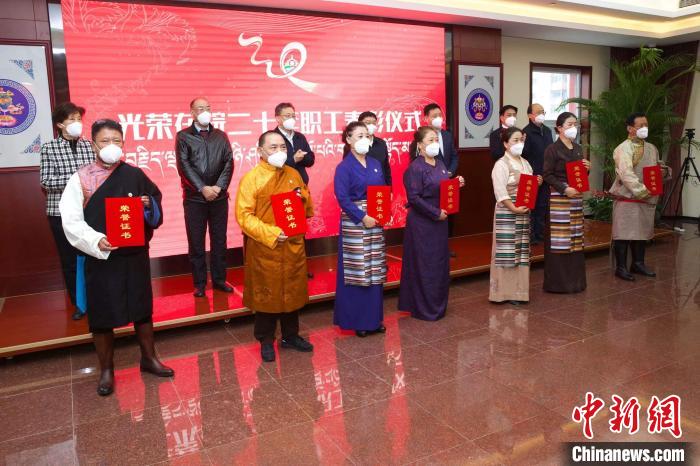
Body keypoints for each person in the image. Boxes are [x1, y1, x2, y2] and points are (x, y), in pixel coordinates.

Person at [59, 119, 173, 396]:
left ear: (123, 143)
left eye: (117, 141)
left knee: (142, 308)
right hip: (102, 257)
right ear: (94, 144)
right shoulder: (81, 178)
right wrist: (95, 240)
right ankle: (107, 370)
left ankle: (149, 358)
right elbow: (70, 220)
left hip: (134, 256)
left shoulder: (134, 174)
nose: (112, 146)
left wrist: (148, 204)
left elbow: (155, 202)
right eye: (105, 141)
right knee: (102, 314)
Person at [235, 131, 314, 362]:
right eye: (273, 147)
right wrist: (270, 233)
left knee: (292, 292)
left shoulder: (293, 174)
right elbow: (244, 216)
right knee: (266, 295)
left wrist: (302, 198)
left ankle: (291, 335)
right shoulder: (252, 178)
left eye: (282, 147)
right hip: (265, 247)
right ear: (260, 151)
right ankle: (266, 339)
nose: (279, 151)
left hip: (292, 244)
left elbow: (306, 203)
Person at [399, 126, 464, 320]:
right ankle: (423, 308)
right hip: (423, 224)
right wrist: (435, 213)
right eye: (430, 140)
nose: (435, 143)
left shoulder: (440, 164)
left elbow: (442, 188)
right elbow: (414, 198)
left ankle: (437, 304)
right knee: (424, 265)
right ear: (420, 145)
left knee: (439, 264)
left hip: (440, 223)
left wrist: (455, 184)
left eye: (436, 140)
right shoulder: (415, 168)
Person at [40, 102, 95, 320]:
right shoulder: (49, 148)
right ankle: (79, 304)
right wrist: (76, 180)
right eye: (72, 119)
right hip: (60, 213)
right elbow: (46, 181)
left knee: (92, 256)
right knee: (70, 261)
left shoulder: (89, 145)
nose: (77, 123)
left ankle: (96, 299)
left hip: (89, 210)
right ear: (60, 124)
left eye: (79, 119)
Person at [176, 97, 234, 297]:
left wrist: (218, 187)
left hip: (219, 197)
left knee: (219, 241)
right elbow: (183, 166)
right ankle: (200, 283)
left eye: (208, 108)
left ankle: (219, 280)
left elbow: (229, 162)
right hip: (194, 199)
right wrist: (202, 188)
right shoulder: (183, 136)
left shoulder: (221, 136)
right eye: (200, 108)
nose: (205, 112)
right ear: (192, 112)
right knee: (196, 242)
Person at [333, 122, 387, 337]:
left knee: (375, 270)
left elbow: (381, 191)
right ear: (348, 140)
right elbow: (342, 198)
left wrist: (381, 213)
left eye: (367, 135)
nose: (364, 139)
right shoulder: (344, 167)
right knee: (357, 271)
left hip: (375, 221)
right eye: (359, 135)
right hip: (355, 222)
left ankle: (374, 319)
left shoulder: (375, 163)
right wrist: (362, 216)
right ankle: (358, 321)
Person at [609, 113, 668, 281]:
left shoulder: (652, 148)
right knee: (624, 232)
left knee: (641, 231)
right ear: (630, 128)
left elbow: (658, 166)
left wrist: (663, 171)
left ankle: (638, 263)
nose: (645, 128)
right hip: (628, 197)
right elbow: (626, 173)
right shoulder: (623, 148)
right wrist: (641, 191)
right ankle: (621, 267)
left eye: (646, 125)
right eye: (641, 125)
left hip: (646, 198)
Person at [489, 127, 542, 304]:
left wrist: (537, 182)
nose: (520, 143)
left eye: (521, 140)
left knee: (521, 252)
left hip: (523, 212)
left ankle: (519, 292)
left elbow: (528, 186)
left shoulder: (526, 163)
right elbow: (500, 191)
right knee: (507, 252)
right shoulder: (501, 164)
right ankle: (504, 293)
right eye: (515, 140)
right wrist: (513, 208)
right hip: (507, 210)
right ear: (505, 144)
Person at [542, 112, 590, 293]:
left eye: (575, 124)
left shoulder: (577, 148)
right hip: (560, 199)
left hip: (576, 198)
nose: (573, 128)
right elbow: (547, 174)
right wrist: (564, 188)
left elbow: (579, 174)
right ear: (559, 128)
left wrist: (587, 169)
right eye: (569, 124)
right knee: (560, 241)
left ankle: (576, 282)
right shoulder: (552, 149)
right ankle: (558, 284)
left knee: (576, 239)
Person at [273, 102, 316, 279]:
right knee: (284, 231)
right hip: (281, 190)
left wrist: (301, 159)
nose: (291, 119)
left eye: (293, 115)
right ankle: (285, 269)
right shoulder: (273, 138)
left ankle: (300, 268)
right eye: (287, 115)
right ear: (278, 118)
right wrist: (294, 159)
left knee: (299, 231)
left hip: (300, 188)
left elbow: (311, 159)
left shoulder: (299, 137)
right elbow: (274, 164)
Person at [522, 103, 554, 245]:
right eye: (538, 112)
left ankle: (540, 234)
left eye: (543, 112)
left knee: (542, 206)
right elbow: (523, 155)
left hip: (546, 175)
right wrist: (532, 174)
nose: (542, 114)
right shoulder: (526, 132)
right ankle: (530, 236)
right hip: (531, 176)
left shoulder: (547, 130)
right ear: (530, 115)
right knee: (530, 206)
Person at [414, 103, 459, 177]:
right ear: (426, 118)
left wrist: (450, 172)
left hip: (448, 178)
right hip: (430, 179)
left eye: (440, 115)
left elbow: (454, 157)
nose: (438, 118)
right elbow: (416, 163)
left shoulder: (448, 135)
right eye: (434, 116)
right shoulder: (420, 137)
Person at [357, 111, 392, 186]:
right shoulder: (354, 144)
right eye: (367, 123)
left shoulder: (381, 143)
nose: (371, 125)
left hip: (380, 188)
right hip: (361, 188)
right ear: (360, 124)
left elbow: (386, 168)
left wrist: (389, 188)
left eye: (374, 123)